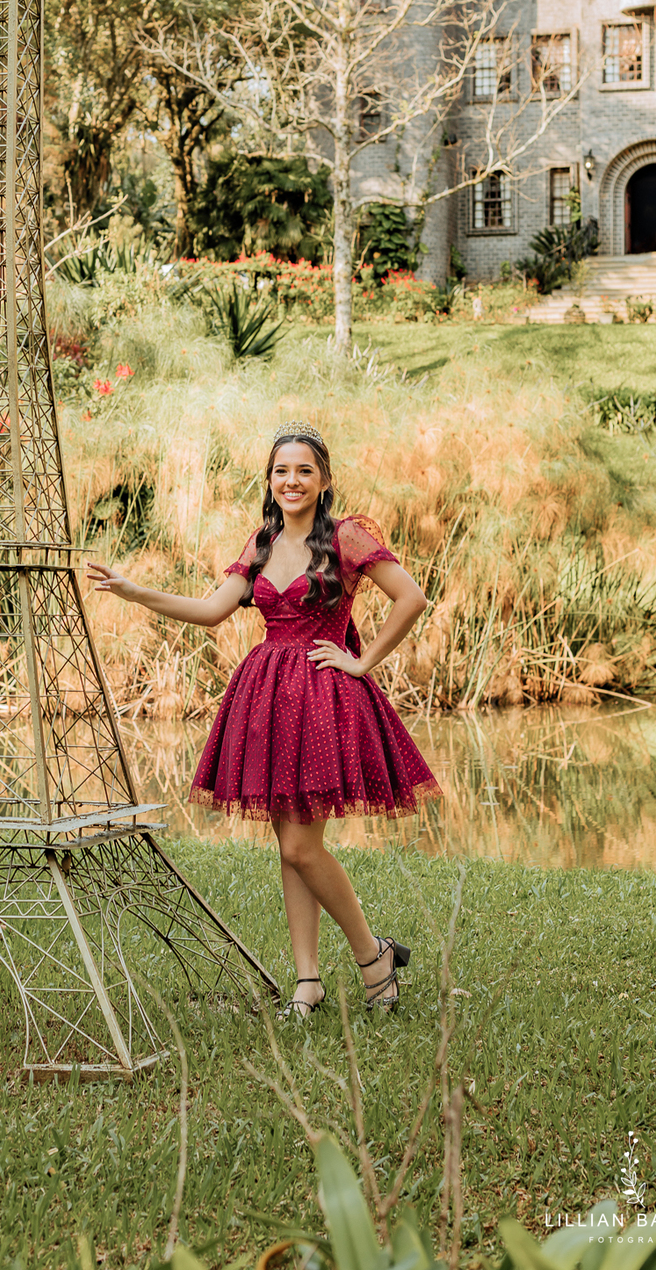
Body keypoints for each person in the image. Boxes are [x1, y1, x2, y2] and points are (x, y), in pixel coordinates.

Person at [86, 422, 440, 1017]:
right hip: (268, 700)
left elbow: (411, 597)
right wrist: (134, 591)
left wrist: (362, 661)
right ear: (269, 479)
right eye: (281, 471)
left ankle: (373, 957)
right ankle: (308, 982)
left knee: (303, 845)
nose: (292, 480)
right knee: (287, 842)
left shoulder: (346, 537)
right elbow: (209, 610)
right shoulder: (262, 542)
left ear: (323, 480)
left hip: (323, 697)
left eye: (304, 470)